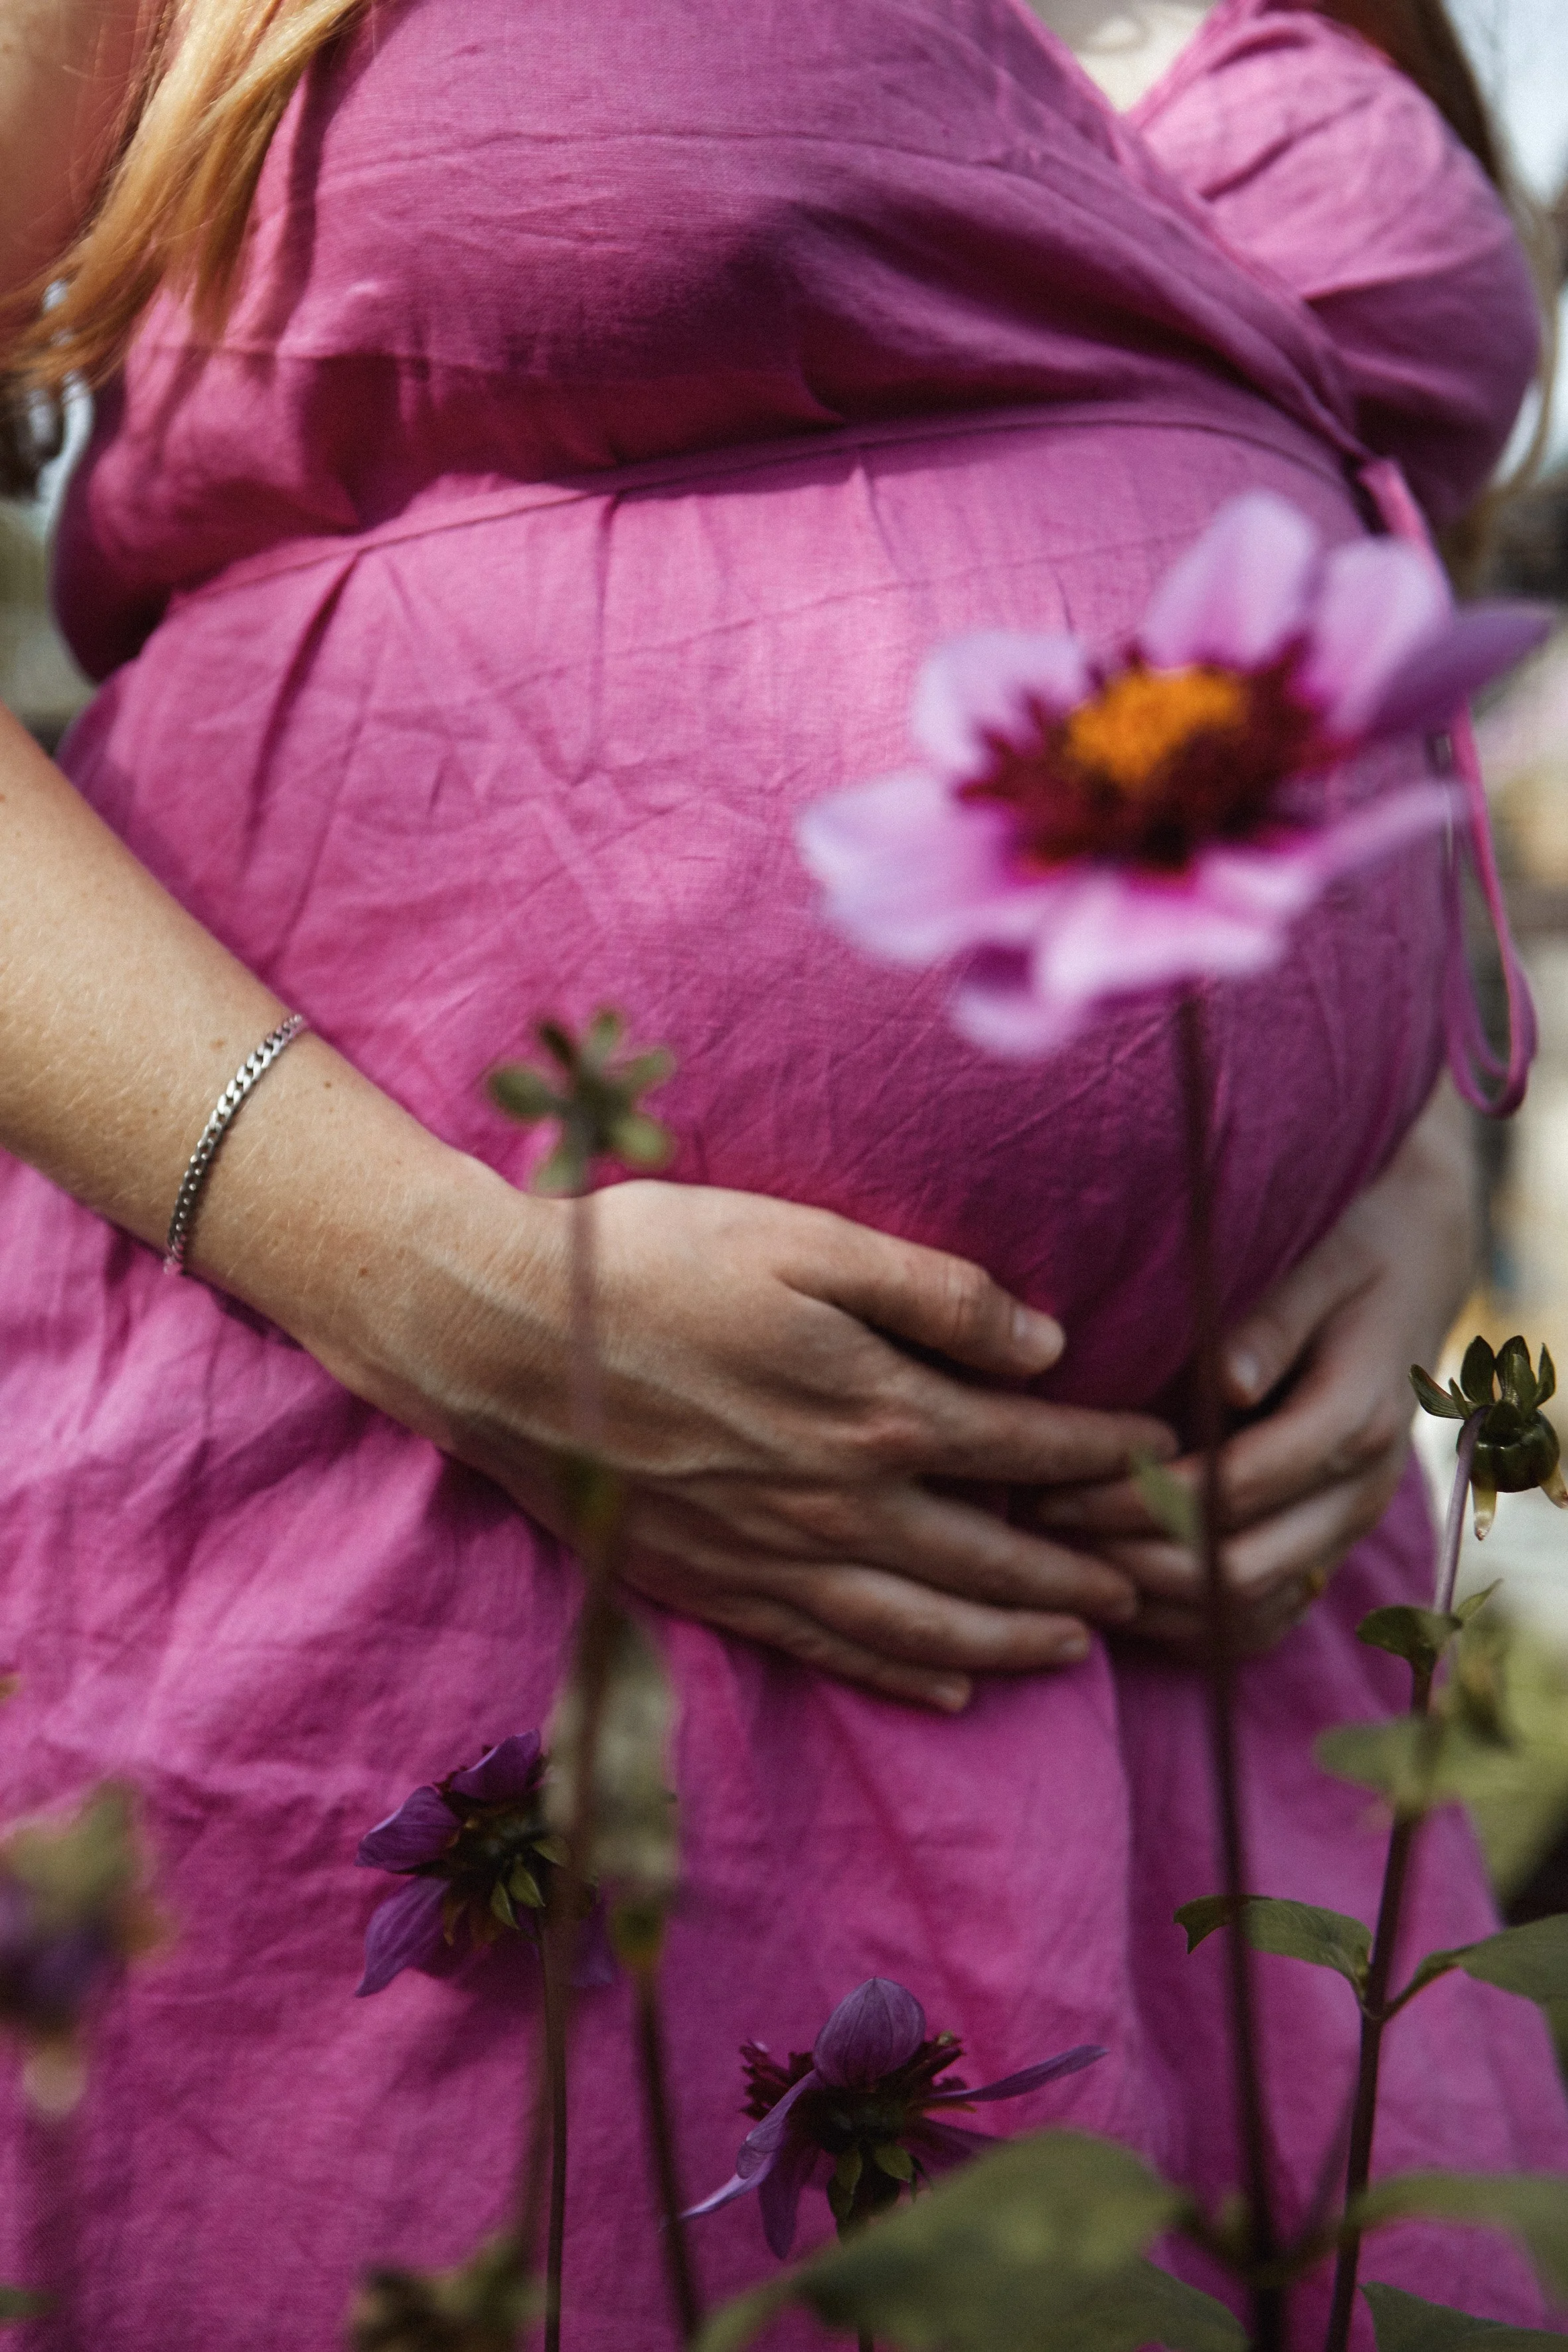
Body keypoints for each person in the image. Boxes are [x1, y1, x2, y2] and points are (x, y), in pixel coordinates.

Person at [0, 0, 1561, 2343]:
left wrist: (1401, 1133)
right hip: (420, 1507)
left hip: (1199, 1643)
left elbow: (1348, 570)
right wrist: (413, 1264)